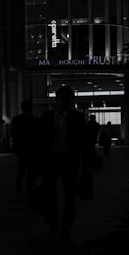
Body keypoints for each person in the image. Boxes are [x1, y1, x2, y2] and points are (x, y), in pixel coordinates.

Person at [39, 85, 86, 239]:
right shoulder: (46, 116)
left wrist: (84, 164)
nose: (65, 101)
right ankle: (53, 223)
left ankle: (66, 225)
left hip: (69, 160)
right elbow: (40, 140)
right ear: (56, 99)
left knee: (69, 195)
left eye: (68, 98)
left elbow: (84, 142)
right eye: (62, 98)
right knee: (49, 193)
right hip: (51, 159)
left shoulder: (77, 117)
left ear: (71, 100)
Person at [10, 100, 40, 194]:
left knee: (22, 167)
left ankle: (18, 187)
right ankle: (29, 188)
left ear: (21, 108)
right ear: (30, 108)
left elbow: (13, 133)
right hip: (32, 148)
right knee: (32, 169)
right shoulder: (36, 120)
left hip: (20, 147)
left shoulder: (16, 119)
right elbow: (38, 135)